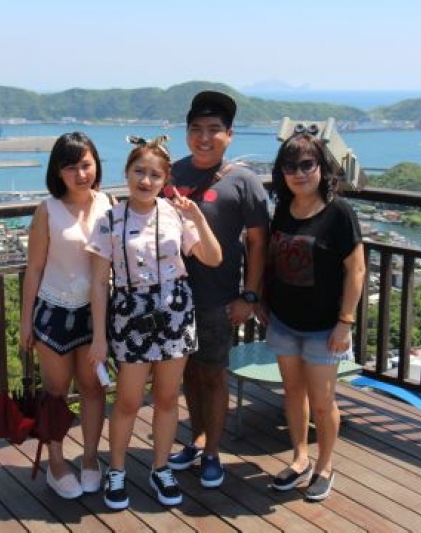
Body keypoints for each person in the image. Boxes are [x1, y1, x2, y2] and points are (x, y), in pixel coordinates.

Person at [87, 136, 222, 510]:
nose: (146, 181)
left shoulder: (176, 214)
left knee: (166, 398)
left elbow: (213, 257)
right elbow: (98, 283)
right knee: (128, 400)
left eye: (155, 175)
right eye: (139, 171)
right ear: (127, 172)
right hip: (130, 314)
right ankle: (117, 470)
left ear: (165, 180)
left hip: (175, 311)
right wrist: (99, 337)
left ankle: (160, 467)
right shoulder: (110, 219)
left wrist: (197, 218)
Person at [167, 91, 270, 488]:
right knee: (189, 374)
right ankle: (196, 440)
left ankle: (213, 452)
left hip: (219, 299)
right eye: (196, 129)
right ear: (187, 133)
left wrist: (249, 295)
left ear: (230, 135)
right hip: (174, 298)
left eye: (214, 129)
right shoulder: (171, 174)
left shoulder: (244, 181)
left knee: (213, 375)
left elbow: (258, 243)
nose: (204, 137)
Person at [260, 132, 365, 501]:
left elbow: (356, 270)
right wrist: (262, 300)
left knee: (322, 402)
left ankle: (325, 465)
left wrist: (345, 321)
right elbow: (272, 259)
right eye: (290, 166)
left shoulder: (339, 213)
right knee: (292, 392)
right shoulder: (283, 209)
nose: (299, 172)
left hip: (325, 327)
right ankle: (300, 457)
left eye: (307, 164)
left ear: (322, 167)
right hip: (284, 320)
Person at [19, 132, 112, 499]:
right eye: (70, 167)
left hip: (95, 313)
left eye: (86, 165)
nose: (80, 173)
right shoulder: (48, 210)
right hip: (54, 309)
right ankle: (56, 465)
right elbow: (34, 268)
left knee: (92, 388)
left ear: (96, 165)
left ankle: (90, 459)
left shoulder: (108, 203)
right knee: (56, 393)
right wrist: (26, 321)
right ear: (58, 171)